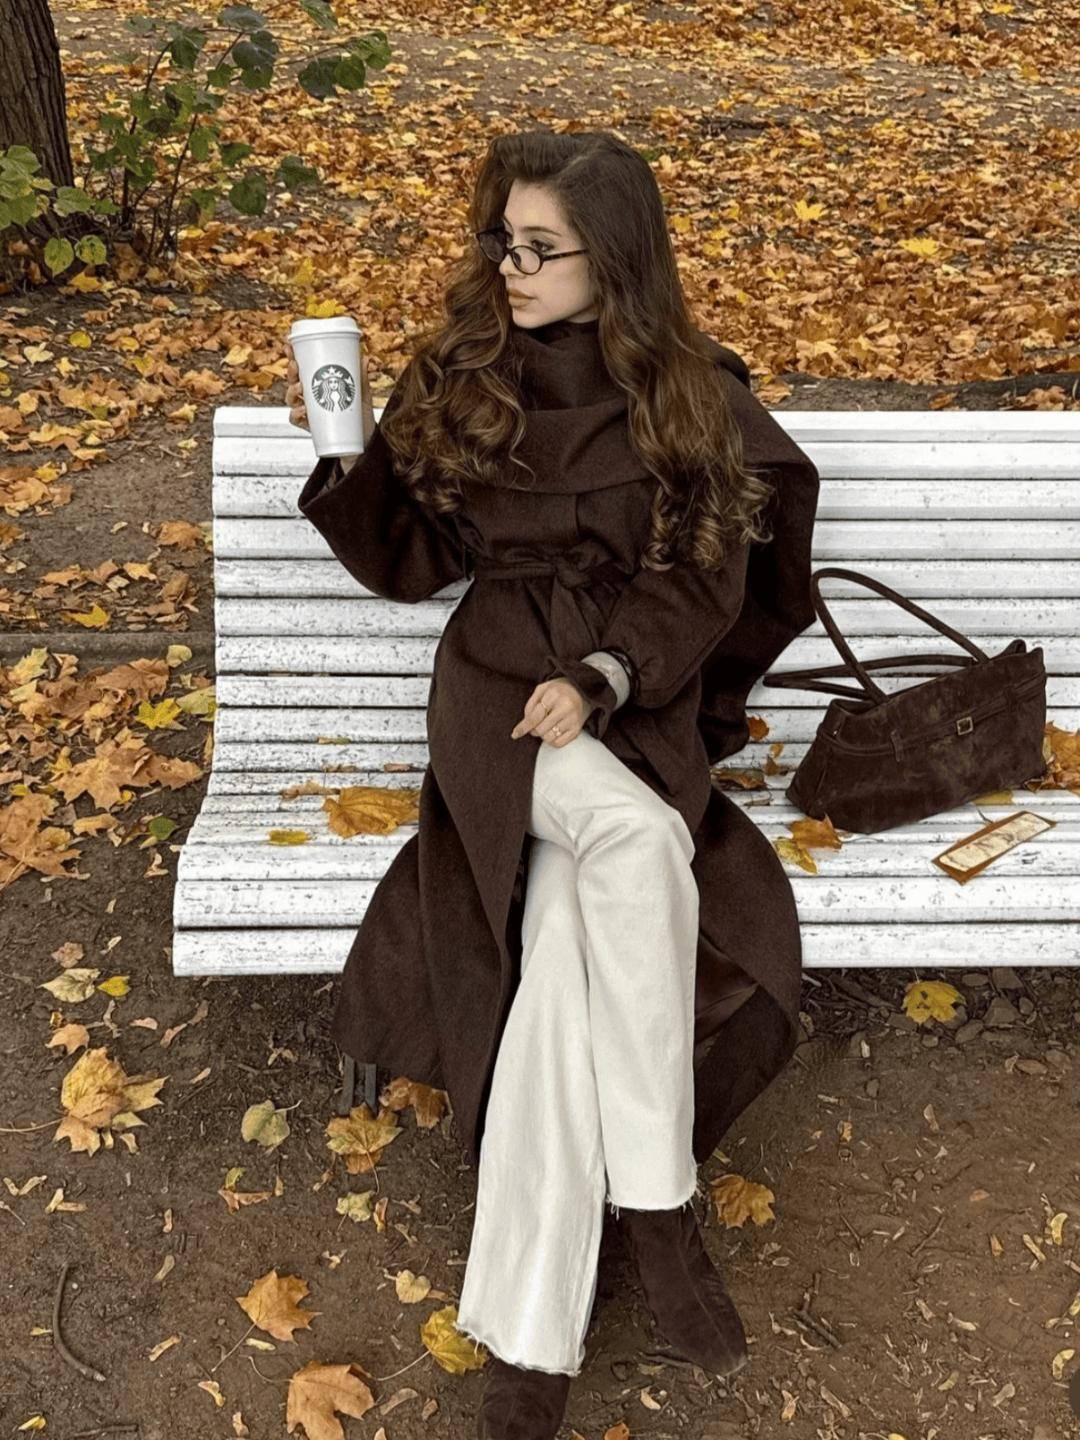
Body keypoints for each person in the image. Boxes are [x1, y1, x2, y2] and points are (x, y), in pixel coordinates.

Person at [286, 129, 820, 1440]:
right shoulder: (467, 376)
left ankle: (530, 1347)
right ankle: (661, 1208)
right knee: (637, 851)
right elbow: (411, 563)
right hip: (497, 700)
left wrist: (605, 674)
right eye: (503, 242)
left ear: (614, 260)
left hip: (630, 700)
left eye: (541, 249)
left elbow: (707, 578)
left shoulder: (687, 390)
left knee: (569, 964)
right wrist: (350, 454)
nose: (511, 268)